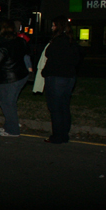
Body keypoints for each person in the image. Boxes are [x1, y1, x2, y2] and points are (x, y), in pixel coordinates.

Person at [0, 20, 30, 137]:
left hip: (9, 78)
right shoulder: (20, 41)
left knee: (7, 103)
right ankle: (9, 126)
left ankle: (13, 130)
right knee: (9, 102)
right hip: (20, 75)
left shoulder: (2, 46)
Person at [42, 16, 80, 144]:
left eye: (53, 25)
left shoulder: (58, 41)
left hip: (57, 77)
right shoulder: (71, 41)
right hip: (69, 77)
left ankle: (57, 135)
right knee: (64, 106)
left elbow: (48, 54)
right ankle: (64, 134)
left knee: (56, 107)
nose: (52, 28)